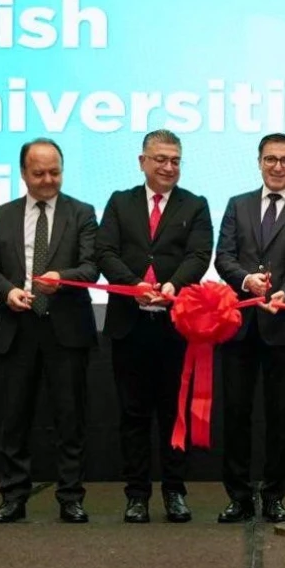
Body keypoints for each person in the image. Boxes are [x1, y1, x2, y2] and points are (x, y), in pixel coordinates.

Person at [97, 129, 212, 523]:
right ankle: (137, 495)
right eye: (160, 159)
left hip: (175, 326)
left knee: (173, 412)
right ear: (142, 161)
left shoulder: (195, 205)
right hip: (129, 324)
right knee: (133, 415)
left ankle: (175, 492)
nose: (168, 167)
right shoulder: (120, 202)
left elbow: (199, 255)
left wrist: (172, 285)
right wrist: (133, 285)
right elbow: (104, 252)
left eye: (175, 160)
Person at [0, 139, 99, 524]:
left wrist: (61, 278)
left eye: (55, 172)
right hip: (19, 328)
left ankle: (71, 497)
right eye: (39, 173)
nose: (48, 180)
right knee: (15, 419)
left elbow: (91, 267)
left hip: (67, 329)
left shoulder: (82, 212)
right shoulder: (3, 214)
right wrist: (8, 292)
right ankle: (13, 496)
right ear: (23, 173)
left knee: (70, 418)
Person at [213, 133, 285, 523]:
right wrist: (246, 280)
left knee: (280, 417)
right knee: (236, 415)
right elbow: (223, 255)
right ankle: (239, 497)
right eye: (270, 159)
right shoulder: (237, 204)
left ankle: (275, 496)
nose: (278, 166)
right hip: (239, 326)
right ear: (259, 161)